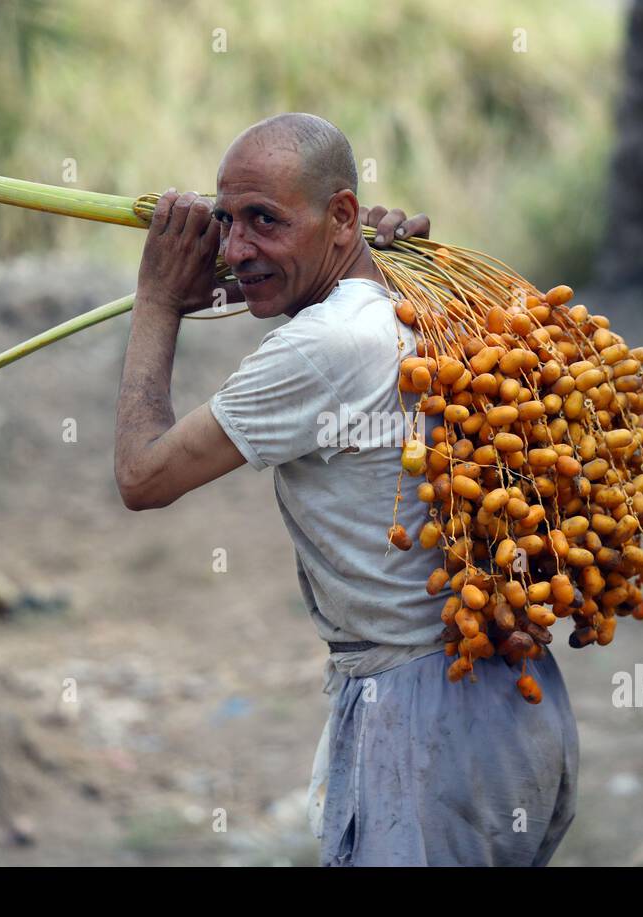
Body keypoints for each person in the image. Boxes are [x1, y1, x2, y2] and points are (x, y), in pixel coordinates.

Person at [113, 112, 579, 866]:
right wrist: (361, 251)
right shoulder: (425, 303)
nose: (235, 250)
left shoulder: (325, 346)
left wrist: (158, 301)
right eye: (226, 222)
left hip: (426, 724)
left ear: (340, 216)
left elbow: (142, 476)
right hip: (514, 702)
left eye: (264, 221)